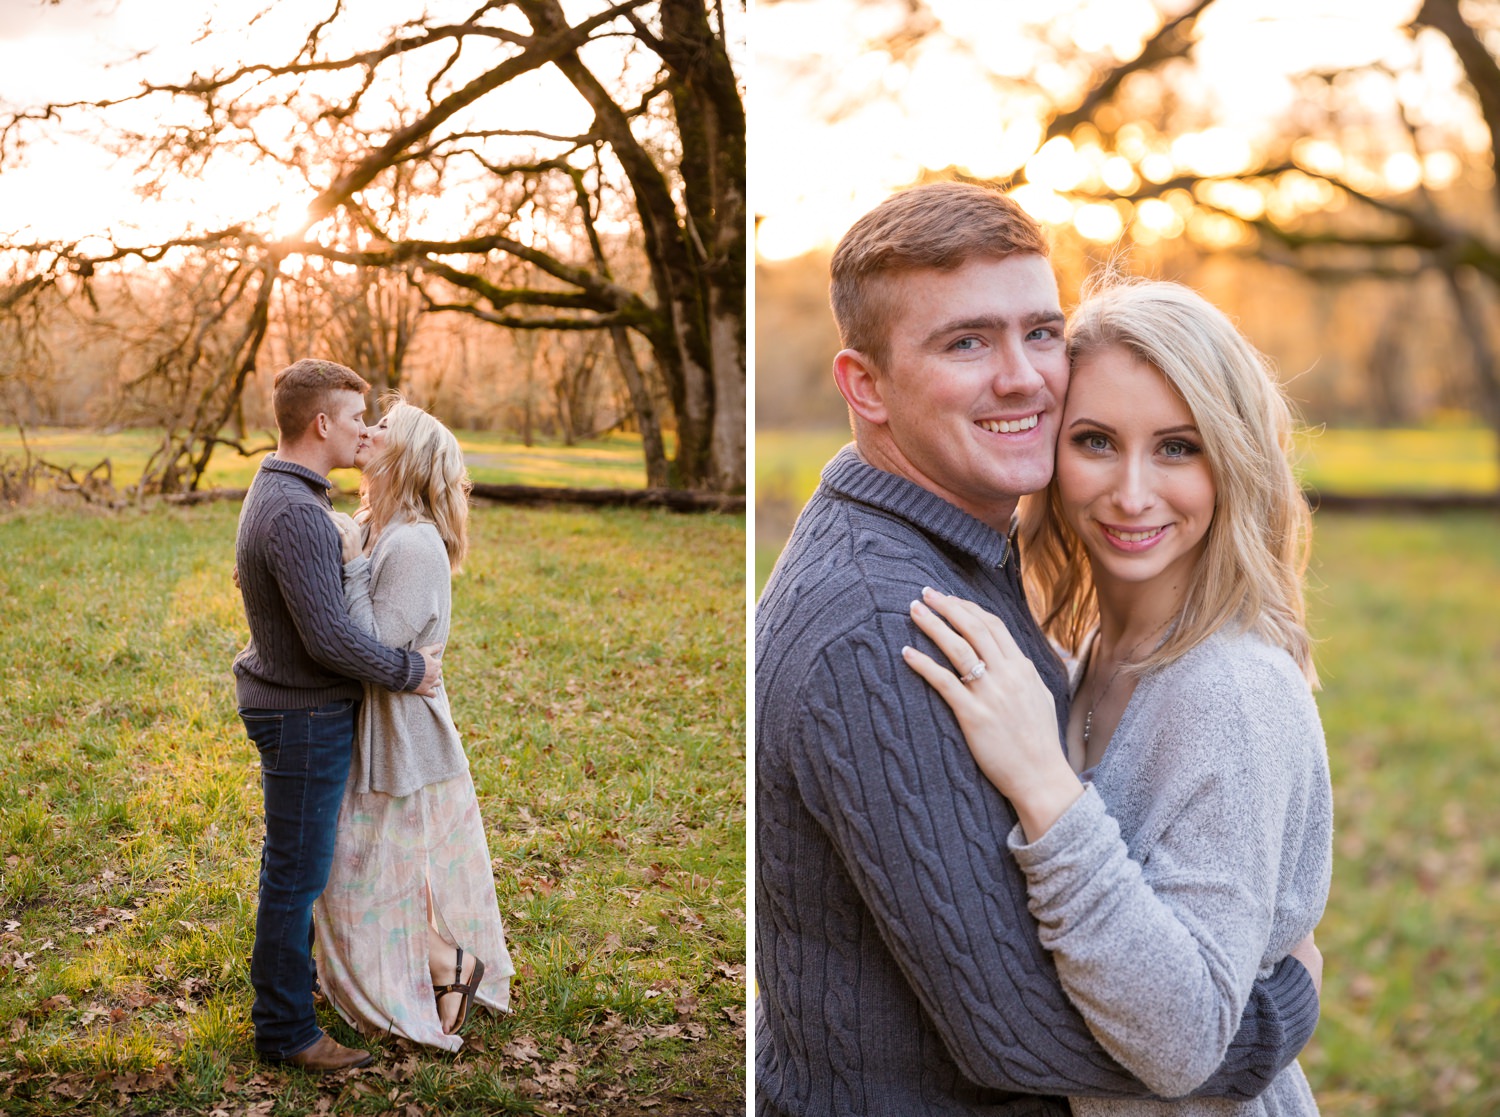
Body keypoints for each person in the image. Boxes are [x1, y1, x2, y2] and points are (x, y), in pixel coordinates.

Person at [754, 182, 1322, 1117]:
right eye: (966, 341)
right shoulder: (885, 622)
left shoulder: (972, 568)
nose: (1021, 377)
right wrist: (1281, 1007)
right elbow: (1021, 1028)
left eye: (1041, 331)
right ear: (865, 385)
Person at [905, 276, 1332, 1115]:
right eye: (1096, 440)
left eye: (1177, 447)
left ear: (1232, 457)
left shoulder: (1232, 691)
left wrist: (1046, 787)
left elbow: (1185, 1038)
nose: (1132, 493)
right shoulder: (1086, 661)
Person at [234, 359, 443, 1072]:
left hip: (301, 709)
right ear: (321, 422)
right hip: (301, 717)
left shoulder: (289, 497)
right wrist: (409, 669)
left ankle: (296, 994)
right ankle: (286, 1029)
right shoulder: (295, 510)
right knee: (295, 875)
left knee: (297, 869)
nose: (365, 430)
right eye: (357, 417)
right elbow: (328, 637)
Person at [313, 396, 514, 1050]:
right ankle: (420, 963)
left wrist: (348, 562)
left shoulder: (414, 543)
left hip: (398, 732)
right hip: (375, 723)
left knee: (369, 867)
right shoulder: (381, 528)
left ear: (408, 455)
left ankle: (446, 964)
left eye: (383, 429)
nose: (369, 433)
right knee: (367, 866)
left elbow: (373, 648)